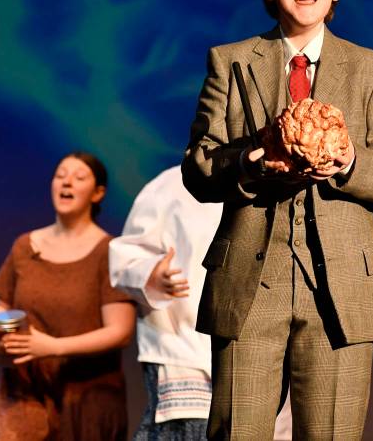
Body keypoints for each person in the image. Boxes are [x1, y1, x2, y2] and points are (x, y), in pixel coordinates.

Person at [182, 0, 373, 439]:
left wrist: (349, 161)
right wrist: (249, 161)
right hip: (250, 279)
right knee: (236, 432)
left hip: (342, 288)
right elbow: (198, 168)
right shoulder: (231, 60)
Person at [109, 165, 293, 440]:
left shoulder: (279, 179)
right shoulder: (170, 185)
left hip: (266, 346)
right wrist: (153, 274)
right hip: (186, 346)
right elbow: (126, 258)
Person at [0, 151, 136, 440]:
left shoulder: (109, 251)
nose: (67, 183)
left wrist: (54, 346)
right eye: (60, 175)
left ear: (98, 193)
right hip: (25, 393)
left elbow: (121, 330)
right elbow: (0, 304)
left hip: (86, 397)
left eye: (79, 178)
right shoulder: (25, 246)